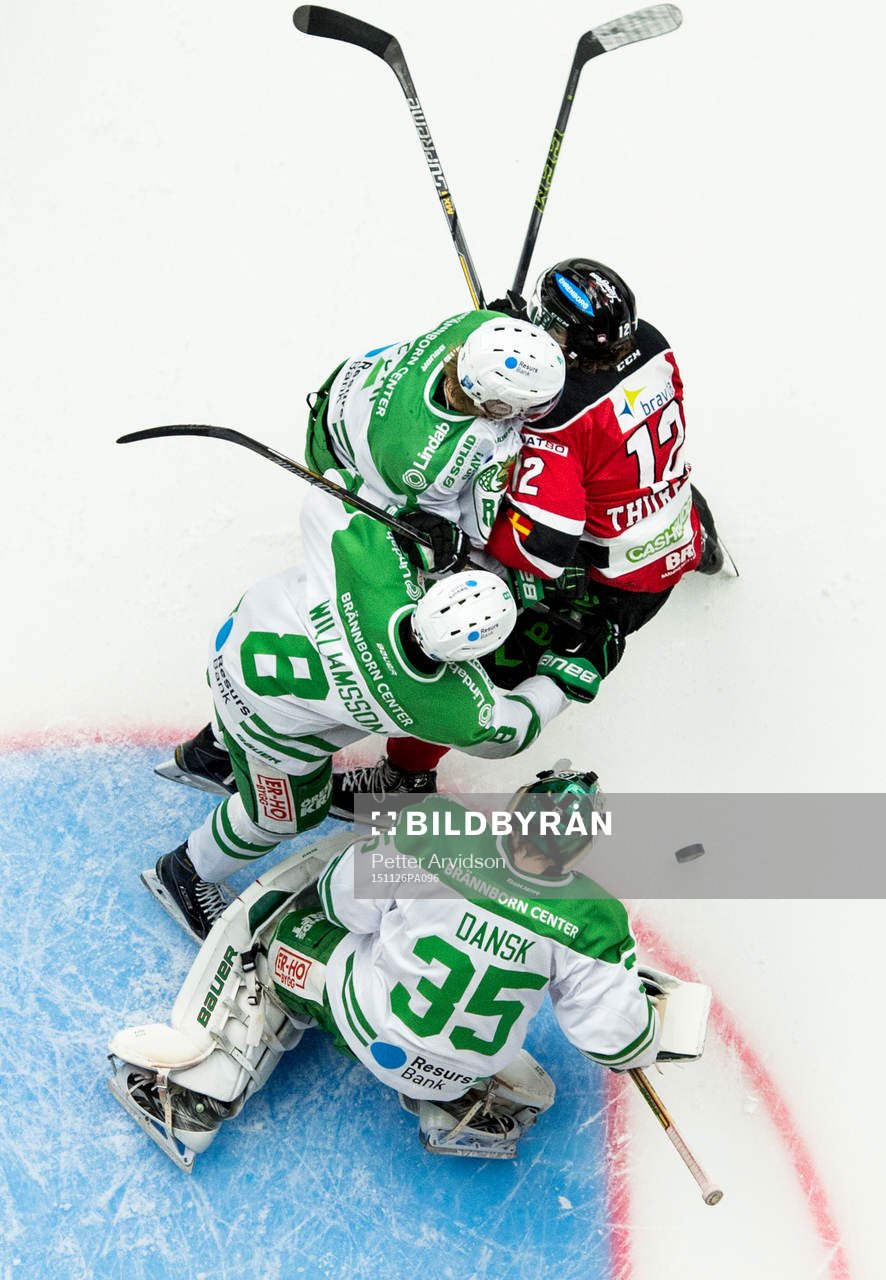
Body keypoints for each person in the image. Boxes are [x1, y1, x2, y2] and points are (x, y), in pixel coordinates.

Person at [108, 770, 711, 1169]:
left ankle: (195, 1098)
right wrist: (637, 1008)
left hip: (369, 1025)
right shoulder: (593, 917)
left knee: (281, 927)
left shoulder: (440, 840)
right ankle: (464, 1113)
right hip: (456, 1072)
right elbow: (618, 1039)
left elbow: (342, 902)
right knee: (493, 1039)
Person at [330, 259, 726, 814]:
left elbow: (542, 546)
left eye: (548, 324)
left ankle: (401, 778)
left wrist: (462, 543)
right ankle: (698, 541)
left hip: (613, 584)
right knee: (635, 483)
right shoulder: (652, 342)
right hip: (671, 520)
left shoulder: (555, 416)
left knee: (473, 644)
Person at [147, 474, 579, 940]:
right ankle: (186, 872)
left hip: (237, 640)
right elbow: (514, 728)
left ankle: (210, 753)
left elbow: (328, 490)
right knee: (286, 815)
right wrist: (566, 676)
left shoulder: (369, 558)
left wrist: (408, 524)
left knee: (287, 694)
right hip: (265, 723)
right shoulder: (447, 704)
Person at [304, 309, 565, 574]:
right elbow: (456, 540)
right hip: (337, 450)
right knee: (439, 557)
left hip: (359, 381)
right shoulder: (424, 461)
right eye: (534, 405)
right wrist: (443, 537)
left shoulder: (483, 323)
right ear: (497, 407)